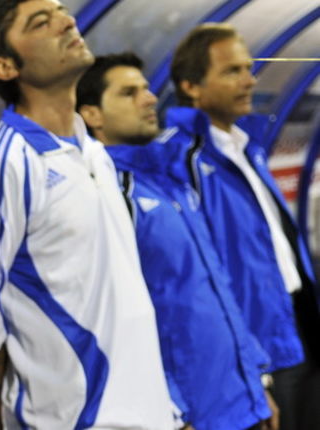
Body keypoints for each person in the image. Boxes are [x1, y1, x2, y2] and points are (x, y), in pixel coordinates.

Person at [0, 1, 175, 428]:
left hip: (152, 415)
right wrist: (31, 398)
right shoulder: (3, 163)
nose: (67, 22)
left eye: (63, 12)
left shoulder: (95, 154)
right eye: (41, 22)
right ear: (5, 66)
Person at [77, 52, 274, 429]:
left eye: (147, 89)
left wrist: (257, 383)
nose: (150, 98)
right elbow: (121, 322)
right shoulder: (107, 195)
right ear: (92, 115)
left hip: (242, 403)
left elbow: (218, 288)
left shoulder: (170, 180)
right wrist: (171, 408)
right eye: (129, 93)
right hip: (192, 414)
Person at [168, 23, 320, 430]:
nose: (249, 81)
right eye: (232, 71)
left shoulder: (246, 146)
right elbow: (200, 275)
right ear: (192, 86)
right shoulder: (183, 161)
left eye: (249, 69)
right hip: (259, 348)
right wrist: (248, 369)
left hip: (298, 327)